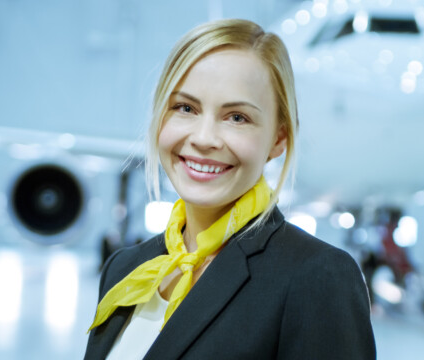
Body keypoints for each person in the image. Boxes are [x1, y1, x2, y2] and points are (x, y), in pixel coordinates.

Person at [84, 18, 376, 360]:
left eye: (237, 117)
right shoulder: (125, 269)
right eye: (185, 108)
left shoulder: (317, 279)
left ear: (278, 139)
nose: (204, 138)